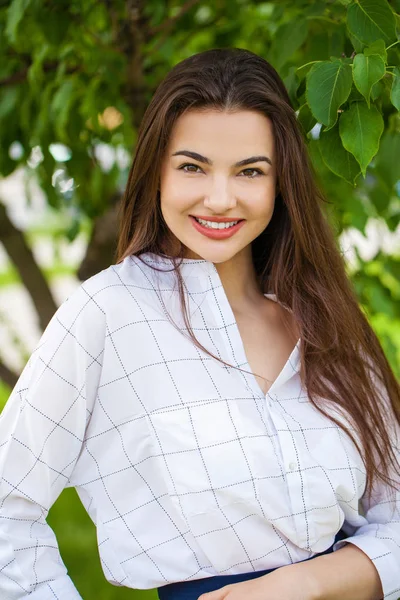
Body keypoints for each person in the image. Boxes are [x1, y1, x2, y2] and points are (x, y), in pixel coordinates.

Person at [0, 47, 399, 600]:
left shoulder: (328, 320)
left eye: (250, 171)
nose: (219, 198)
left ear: (281, 182)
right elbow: (7, 508)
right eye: (192, 166)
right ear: (155, 172)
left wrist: (307, 582)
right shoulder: (109, 314)